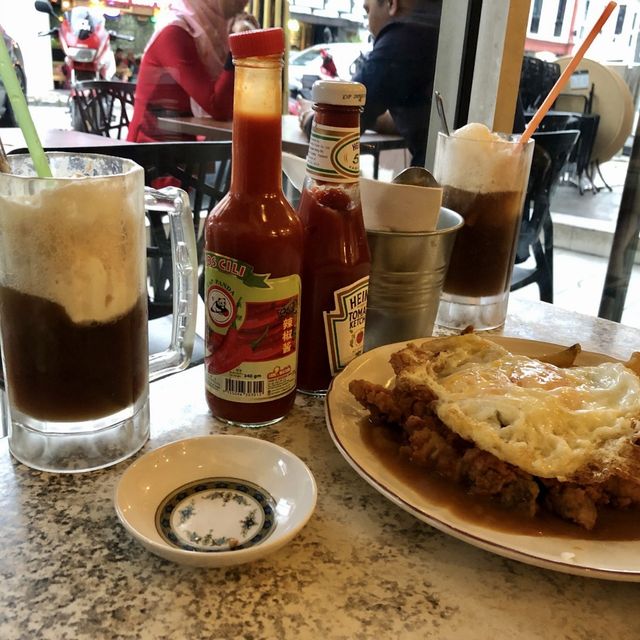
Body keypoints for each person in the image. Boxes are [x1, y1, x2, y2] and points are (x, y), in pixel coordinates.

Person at [300, 0, 441, 167]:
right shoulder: (436, 27)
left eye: (367, 11)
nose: (367, 24)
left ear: (391, 4)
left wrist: (308, 113)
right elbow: (424, 120)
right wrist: (371, 116)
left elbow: (332, 131)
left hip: (433, 180)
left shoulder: (402, 39)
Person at [127, 0, 252, 142]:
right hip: (150, 150)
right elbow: (218, 107)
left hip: (186, 145)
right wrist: (239, 45)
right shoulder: (175, 32)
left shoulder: (217, 33)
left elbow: (245, 100)